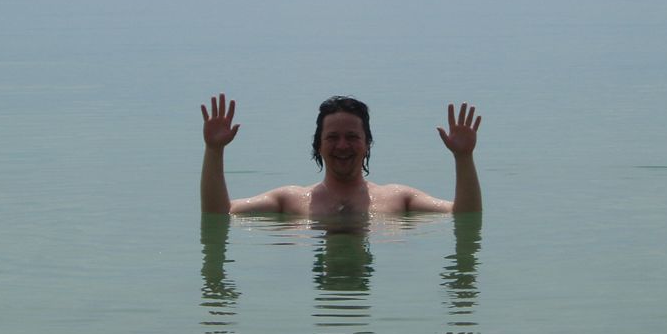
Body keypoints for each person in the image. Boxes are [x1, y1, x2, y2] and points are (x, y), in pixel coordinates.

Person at [200, 93, 482, 216]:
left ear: (367, 144)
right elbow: (220, 212)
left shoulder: (399, 198)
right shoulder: (290, 200)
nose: (343, 146)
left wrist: (464, 158)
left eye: (352, 137)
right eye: (332, 138)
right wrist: (214, 151)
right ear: (318, 145)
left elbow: (463, 213)